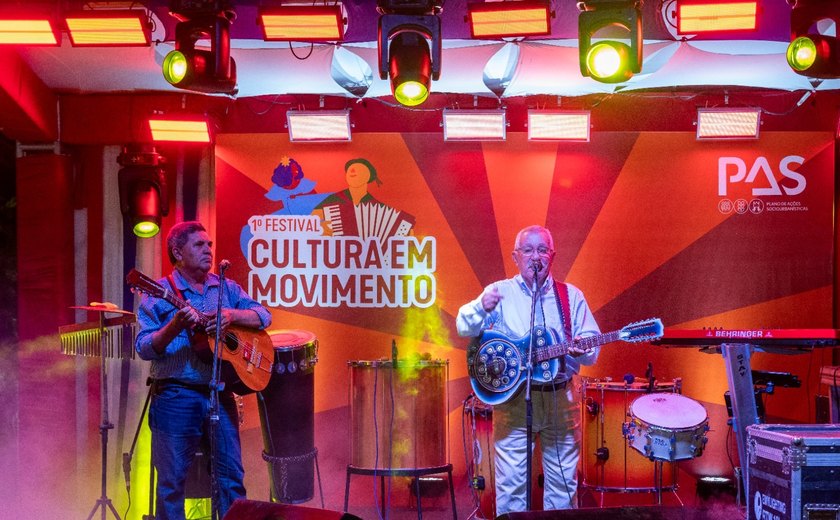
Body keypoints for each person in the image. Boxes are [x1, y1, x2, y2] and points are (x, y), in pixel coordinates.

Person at [456, 224, 600, 513]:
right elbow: (463, 326)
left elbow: (591, 352)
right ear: (516, 256)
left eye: (542, 249)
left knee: (563, 486)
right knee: (511, 486)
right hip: (514, 402)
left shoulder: (570, 296)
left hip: (562, 400)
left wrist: (584, 348)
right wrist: (482, 308)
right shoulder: (500, 291)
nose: (536, 256)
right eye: (528, 249)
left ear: (553, 255)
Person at [135, 221, 272, 520]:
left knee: (231, 479)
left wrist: (231, 314)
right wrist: (174, 326)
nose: (208, 250)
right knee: (171, 485)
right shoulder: (158, 292)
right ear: (177, 252)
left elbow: (264, 315)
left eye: (209, 244)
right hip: (175, 395)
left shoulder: (225, 288)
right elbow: (144, 347)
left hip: (218, 395)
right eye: (199, 245)